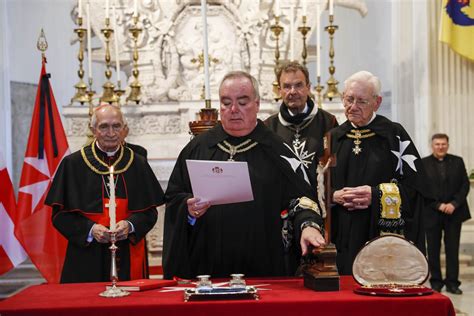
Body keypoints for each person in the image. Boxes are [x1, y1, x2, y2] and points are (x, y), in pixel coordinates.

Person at [163, 71, 326, 279]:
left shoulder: (277, 150)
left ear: (257, 104)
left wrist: (308, 226)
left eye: (242, 102)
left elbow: (302, 199)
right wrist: (187, 208)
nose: (233, 110)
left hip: (261, 264)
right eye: (226, 102)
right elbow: (174, 197)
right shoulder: (198, 148)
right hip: (207, 267)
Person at [45, 104, 164, 283]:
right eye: (104, 126)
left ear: (124, 129)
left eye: (116, 126)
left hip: (128, 252)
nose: (111, 132)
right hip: (86, 254)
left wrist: (130, 225)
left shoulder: (137, 163)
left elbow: (150, 212)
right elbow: (60, 215)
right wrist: (91, 230)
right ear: (93, 129)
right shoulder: (73, 164)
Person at [329, 70, 430, 275]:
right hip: (340, 234)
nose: (353, 106)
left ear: (377, 102)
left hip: (380, 232)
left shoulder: (394, 135)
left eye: (361, 101)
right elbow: (315, 186)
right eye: (349, 99)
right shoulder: (332, 138)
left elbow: (417, 188)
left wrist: (377, 195)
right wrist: (333, 195)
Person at [265, 61, 338, 190]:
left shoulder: (328, 122)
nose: (292, 92)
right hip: (282, 204)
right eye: (287, 86)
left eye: (298, 85)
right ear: (279, 90)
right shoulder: (269, 127)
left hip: (318, 201)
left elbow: (335, 169)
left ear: (308, 87)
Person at [422, 133, 471, 294]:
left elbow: (464, 185)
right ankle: (436, 282)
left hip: (454, 213)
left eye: (443, 144)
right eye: (437, 144)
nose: (440, 147)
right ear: (432, 145)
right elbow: (423, 189)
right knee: (433, 249)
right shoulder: (424, 163)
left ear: (448, 145)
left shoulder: (457, 161)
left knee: (452, 249)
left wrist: (454, 204)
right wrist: (438, 205)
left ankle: (452, 283)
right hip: (433, 213)